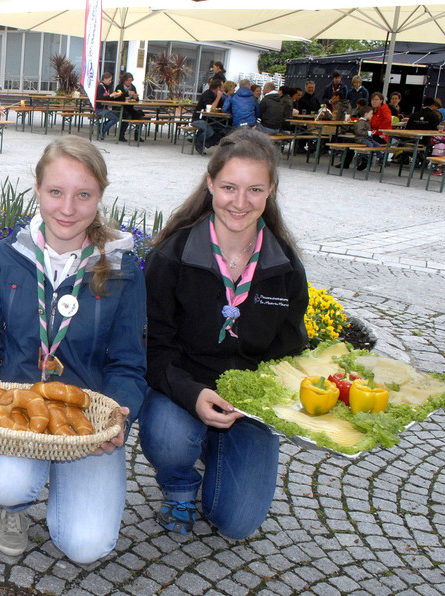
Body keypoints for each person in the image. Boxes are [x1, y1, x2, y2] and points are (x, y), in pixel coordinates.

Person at [0, 136, 148, 563]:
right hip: (17, 412)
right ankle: (13, 506)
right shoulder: (5, 258)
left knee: (85, 545)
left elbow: (129, 362)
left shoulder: (122, 268)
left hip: (86, 422)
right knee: (6, 484)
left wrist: (119, 415)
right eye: (56, 192)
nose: (68, 208)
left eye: (84, 195)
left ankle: (69, 480)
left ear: (100, 196)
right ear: (38, 188)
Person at [139, 128, 309, 539]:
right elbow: (154, 349)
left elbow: (290, 352)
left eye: (255, 189)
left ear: (270, 191)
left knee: (236, 523)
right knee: (168, 436)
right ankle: (179, 485)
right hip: (182, 391)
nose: (240, 202)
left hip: (249, 407)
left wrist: (259, 403)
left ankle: (218, 449)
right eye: (230, 187)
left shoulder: (284, 266)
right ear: (211, 184)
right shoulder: (173, 256)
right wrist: (192, 394)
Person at [342, 104, 380, 171]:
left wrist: (370, 134)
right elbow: (359, 132)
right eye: (371, 114)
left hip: (367, 138)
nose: (372, 115)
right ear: (366, 114)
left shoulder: (366, 122)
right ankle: (364, 158)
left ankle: (380, 157)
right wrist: (369, 133)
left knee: (377, 144)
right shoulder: (361, 122)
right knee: (370, 145)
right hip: (361, 139)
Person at [191, 78, 224, 155]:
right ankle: (198, 141)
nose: (223, 88)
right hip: (198, 119)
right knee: (209, 131)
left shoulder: (218, 96)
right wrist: (218, 98)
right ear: (218, 88)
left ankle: (203, 143)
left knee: (221, 130)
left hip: (210, 119)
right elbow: (210, 108)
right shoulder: (207, 94)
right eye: (222, 86)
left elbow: (220, 108)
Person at [114, 72, 145, 142]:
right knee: (127, 116)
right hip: (120, 107)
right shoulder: (119, 87)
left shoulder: (133, 87)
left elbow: (136, 100)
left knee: (140, 115)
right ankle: (121, 135)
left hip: (129, 107)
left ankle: (137, 135)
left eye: (130, 80)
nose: (129, 82)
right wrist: (127, 94)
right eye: (128, 80)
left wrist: (135, 97)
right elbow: (117, 98)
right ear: (124, 80)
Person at [94, 72, 122, 141]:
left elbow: (107, 98)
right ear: (105, 79)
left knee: (118, 116)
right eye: (109, 80)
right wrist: (111, 95)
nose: (110, 81)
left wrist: (114, 96)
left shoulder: (106, 87)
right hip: (99, 108)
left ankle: (102, 125)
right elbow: (101, 98)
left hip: (104, 108)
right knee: (114, 119)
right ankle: (103, 131)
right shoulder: (100, 87)